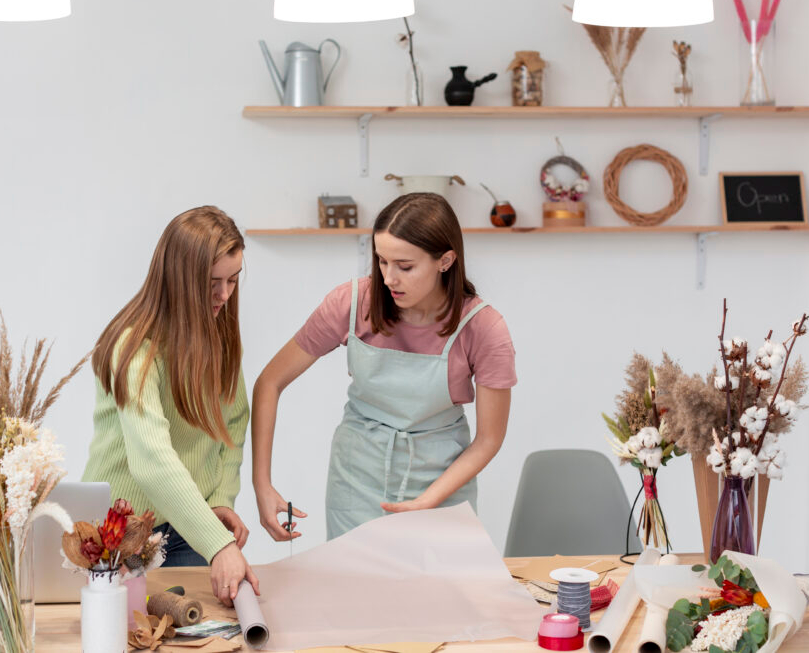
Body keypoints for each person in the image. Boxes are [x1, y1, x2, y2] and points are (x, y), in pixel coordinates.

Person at [252, 192, 517, 542]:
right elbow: (269, 382)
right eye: (382, 261)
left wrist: (429, 500)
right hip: (357, 483)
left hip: (444, 484)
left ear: (445, 261)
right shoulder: (351, 304)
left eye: (405, 266)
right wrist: (261, 484)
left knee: (442, 578)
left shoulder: (484, 328)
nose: (389, 278)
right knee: (356, 578)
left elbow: (488, 439)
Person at [82, 206, 259, 606]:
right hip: (119, 533)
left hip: (188, 526)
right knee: (120, 631)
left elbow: (233, 422)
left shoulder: (218, 335)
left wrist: (220, 499)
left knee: (201, 628)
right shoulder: (134, 347)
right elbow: (152, 460)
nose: (224, 295)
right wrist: (219, 545)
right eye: (212, 283)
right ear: (180, 279)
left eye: (233, 280)